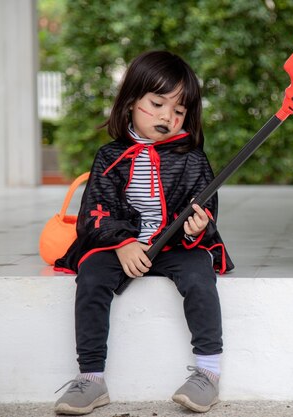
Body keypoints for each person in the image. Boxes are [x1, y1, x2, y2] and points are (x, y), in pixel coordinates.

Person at [53, 50, 234, 415]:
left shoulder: (192, 157)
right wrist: (122, 243)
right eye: (158, 103)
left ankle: (208, 374)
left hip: (175, 245)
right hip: (123, 246)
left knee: (200, 276)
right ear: (132, 100)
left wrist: (197, 227)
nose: (168, 116)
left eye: (180, 110)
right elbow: (95, 211)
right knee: (91, 277)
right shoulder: (109, 156)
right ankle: (90, 378)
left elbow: (205, 206)